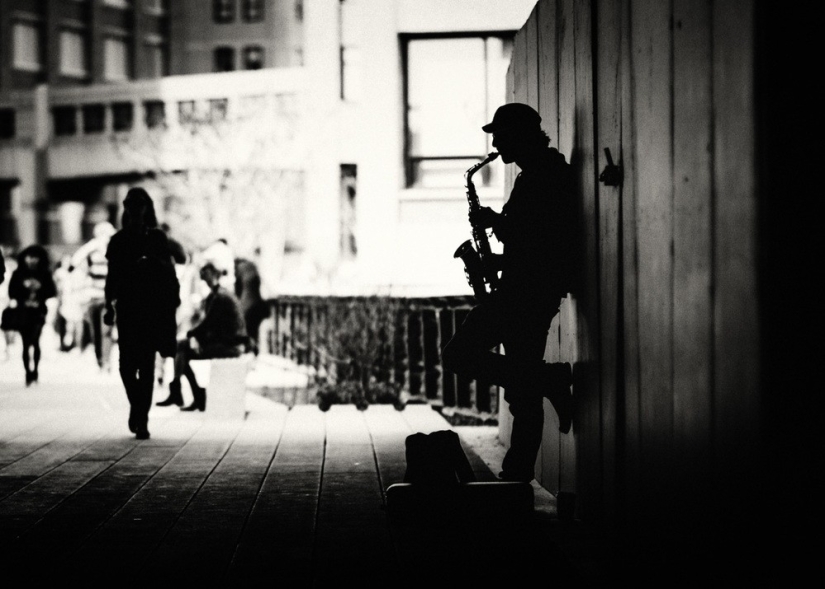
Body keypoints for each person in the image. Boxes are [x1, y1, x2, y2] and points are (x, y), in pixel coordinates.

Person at [441, 102, 577, 483]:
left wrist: (494, 221)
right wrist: (494, 262)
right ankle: (517, 478)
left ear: (520, 135)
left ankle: (547, 379)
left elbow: (540, 239)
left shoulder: (547, 174)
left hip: (527, 295)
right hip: (526, 289)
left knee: (457, 355)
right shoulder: (532, 174)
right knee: (522, 392)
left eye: (501, 136)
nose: (496, 144)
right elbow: (528, 247)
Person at [104, 187, 180, 440]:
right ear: (126, 208)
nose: (136, 210)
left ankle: (142, 418)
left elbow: (170, 270)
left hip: (151, 307)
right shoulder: (118, 240)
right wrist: (108, 304)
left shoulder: (157, 238)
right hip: (127, 307)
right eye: (131, 205)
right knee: (127, 365)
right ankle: (137, 406)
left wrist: (152, 263)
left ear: (147, 208)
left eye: (140, 205)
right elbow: (112, 276)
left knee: (146, 364)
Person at [156, 262, 247, 412]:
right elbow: (211, 325)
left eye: (205, 276)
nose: (204, 280)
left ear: (213, 275)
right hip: (227, 342)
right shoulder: (218, 294)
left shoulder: (220, 296)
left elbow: (209, 324)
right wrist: (194, 337)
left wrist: (191, 335)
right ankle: (189, 393)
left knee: (181, 349)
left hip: (230, 346)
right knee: (181, 350)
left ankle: (187, 393)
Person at [69, 221, 116, 371]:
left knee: (106, 330)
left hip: (109, 299)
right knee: (95, 331)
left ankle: (106, 361)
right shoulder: (91, 250)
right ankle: (100, 360)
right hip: (91, 297)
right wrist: (93, 245)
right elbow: (74, 262)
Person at [7, 244, 57, 385]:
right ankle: (27, 372)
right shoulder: (18, 274)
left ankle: (35, 370)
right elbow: (12, 292)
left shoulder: (45, 274)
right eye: (29, 257)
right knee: (25, 343)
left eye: (35, 258)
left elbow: (52, 291)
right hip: (23, 312)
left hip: (38, 312)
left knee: (35, 341)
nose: (32, 260)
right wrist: (22, 295)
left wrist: (40, 292)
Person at [234, 256, 269, 355]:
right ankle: (255, 352)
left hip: (247, 307)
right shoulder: (252, 267)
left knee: (247, 332)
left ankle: (250, 352)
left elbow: (238, 290)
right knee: (254, 332)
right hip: (258, 305)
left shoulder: (239, 268)